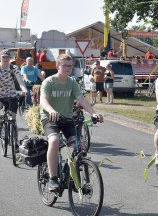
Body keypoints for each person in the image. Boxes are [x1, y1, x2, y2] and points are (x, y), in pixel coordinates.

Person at [40, 54, 103, 191]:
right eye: (65, 65)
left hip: (67, 119)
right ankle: (52, 178)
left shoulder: (72, 83)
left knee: (80, 145)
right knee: (55, 141)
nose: (68, 68)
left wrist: (93, 113)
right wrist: (51, 111)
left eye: (70, 65)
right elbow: (43, 100)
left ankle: (71, 176)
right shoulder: (49, 82)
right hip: (50, 118)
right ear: (57, 66)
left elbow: (81, 99)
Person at [0, 49, 28, 137]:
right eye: (3, 57)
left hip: (12, 95)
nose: (5, 59)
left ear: (10, 58)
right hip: (0, 95)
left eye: (7, 57)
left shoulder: (14, 68)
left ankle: (15, 142)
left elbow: (20, 81)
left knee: (13, 120)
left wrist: (24, 90)